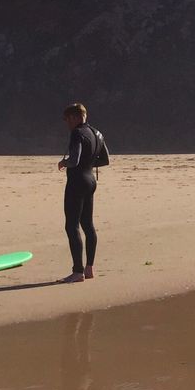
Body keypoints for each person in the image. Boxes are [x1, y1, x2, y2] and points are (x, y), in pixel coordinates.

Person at [57, 102, 109, 284]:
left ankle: (77, 271)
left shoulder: (77, 133)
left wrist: (64, 163)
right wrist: (89, 163)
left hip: (77, 182)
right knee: (88, 224)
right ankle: (89, 268)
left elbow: (75, 160)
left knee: (71, 226)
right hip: (91, 181)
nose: (67, 124)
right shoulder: (97, 133)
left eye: (67, 119)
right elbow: (105, 160)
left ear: (74, 117)